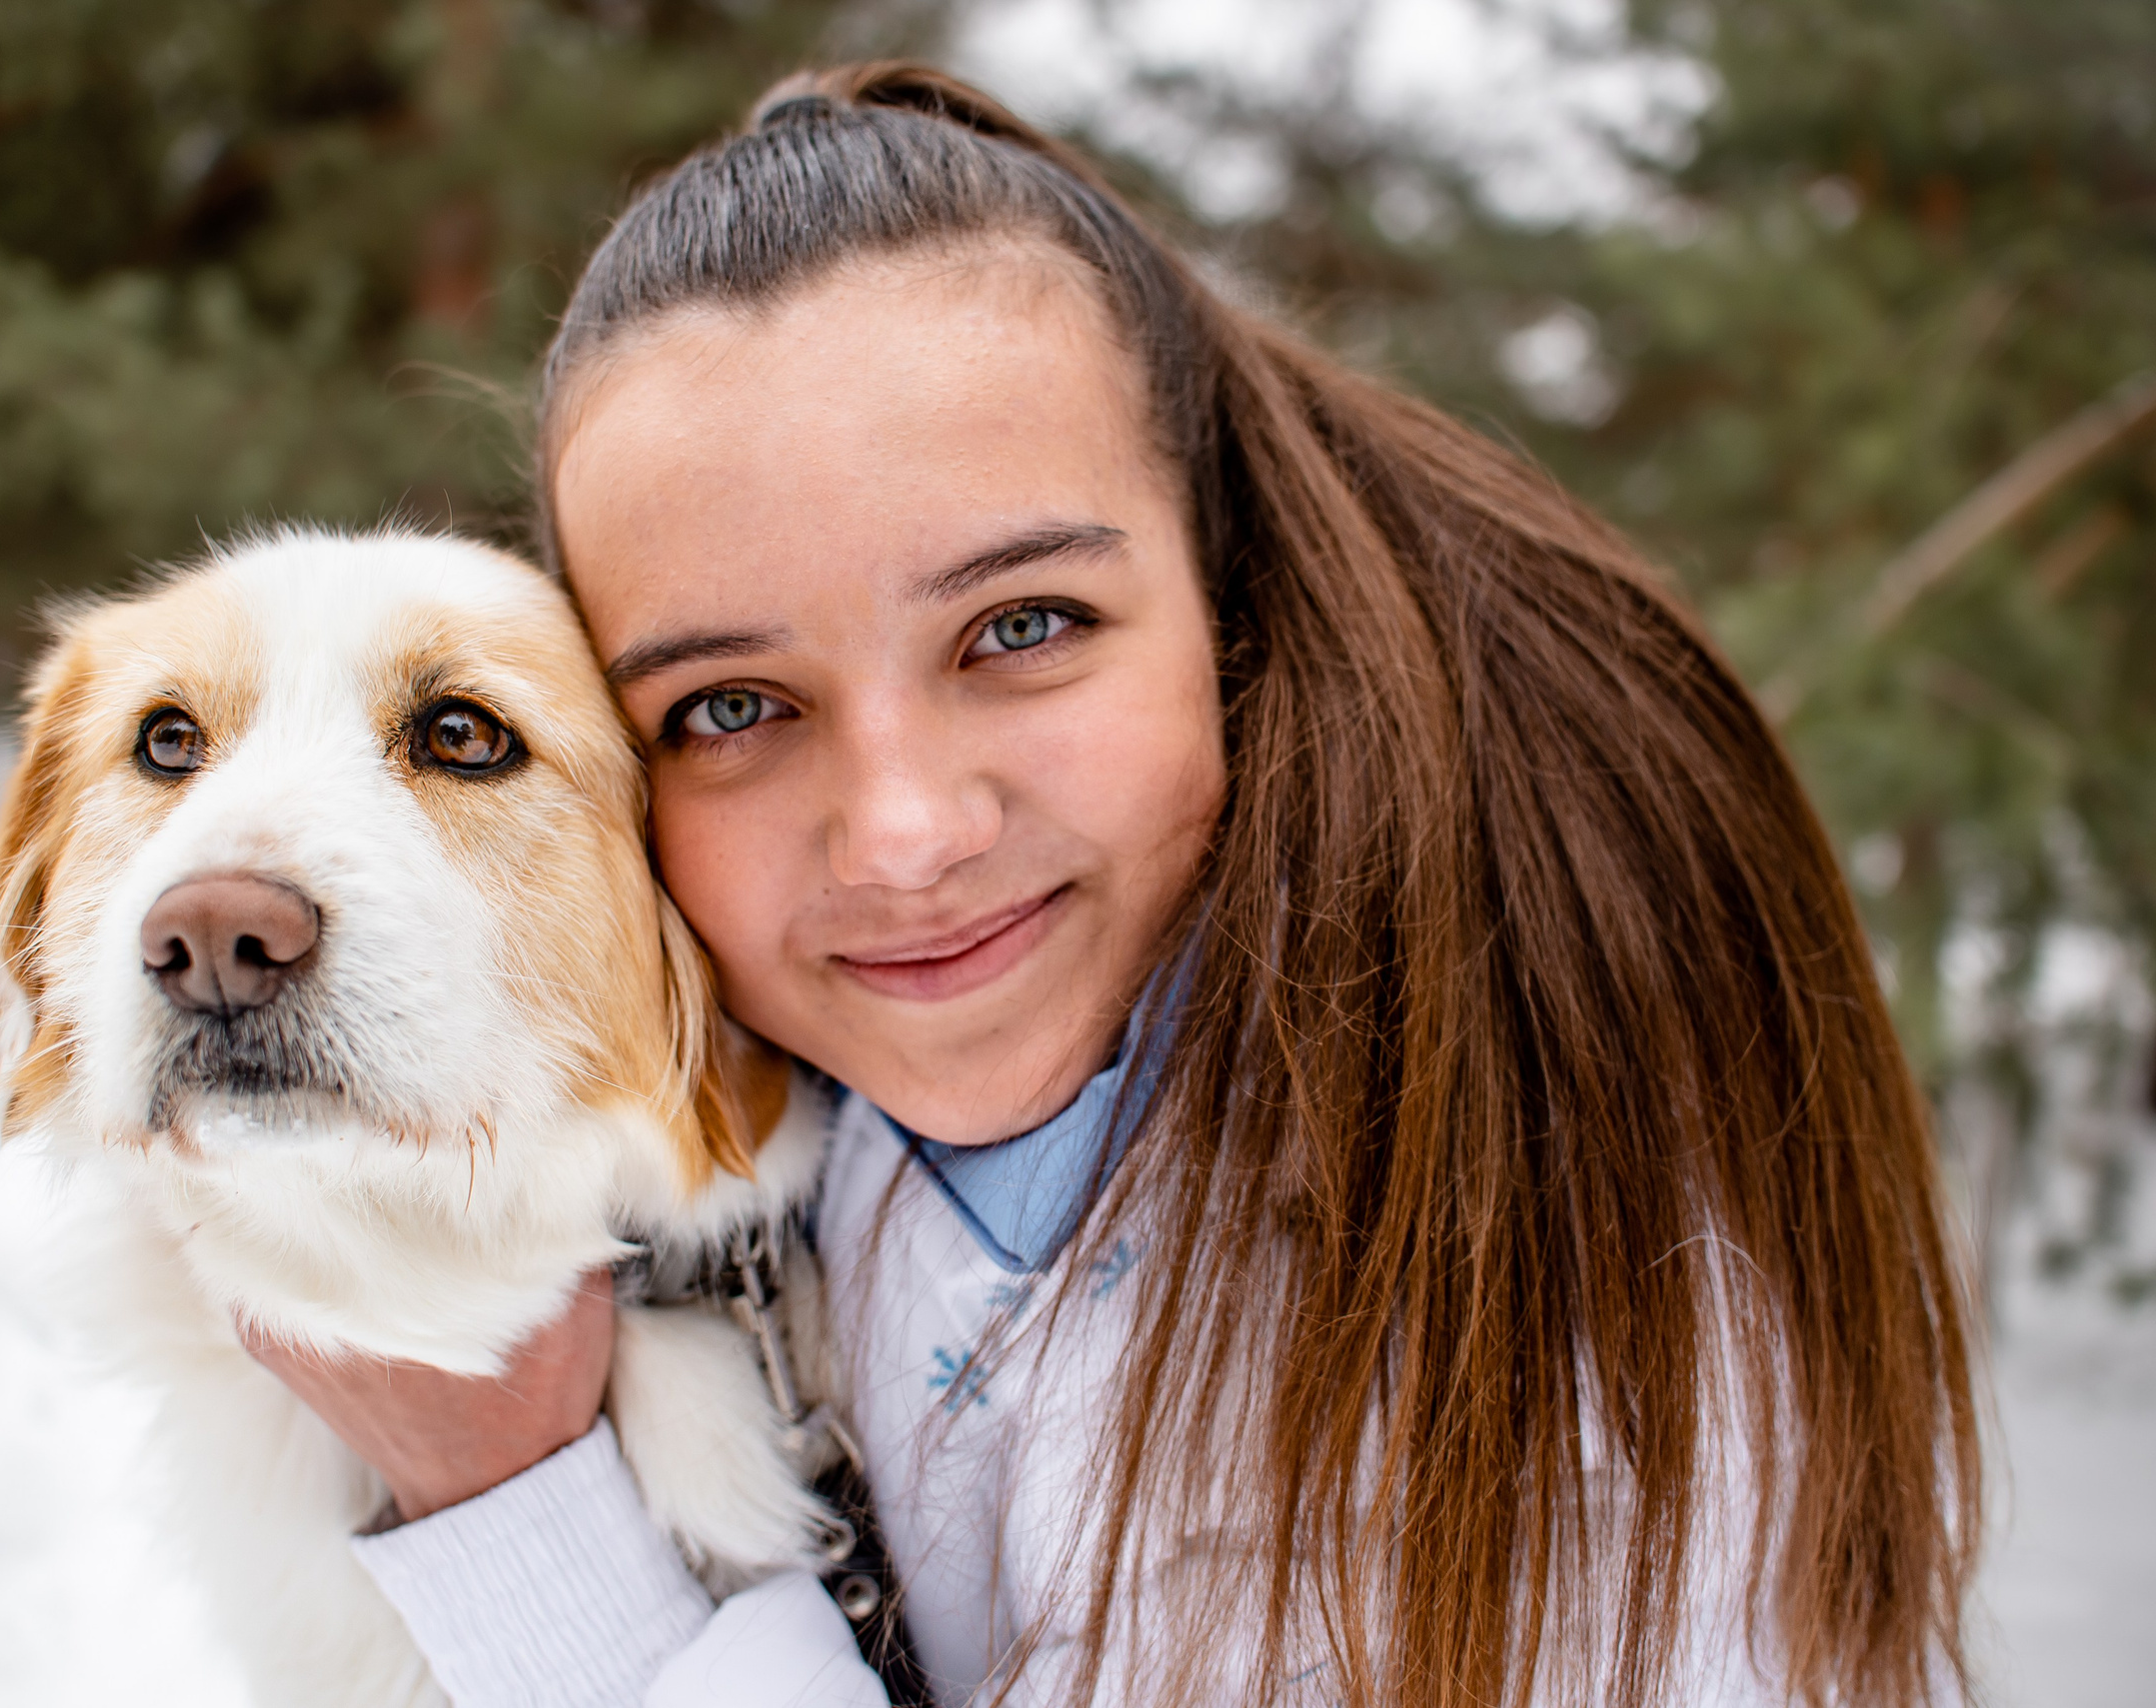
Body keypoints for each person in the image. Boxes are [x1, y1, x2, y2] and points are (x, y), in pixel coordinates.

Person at [245, 63, 1980, 1708]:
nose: (905, 831)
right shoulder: (940, 1064)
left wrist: (521, 1507)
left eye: (1021, 628)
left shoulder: (1475, 1292)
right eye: (732, 709)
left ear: (1233, 602)